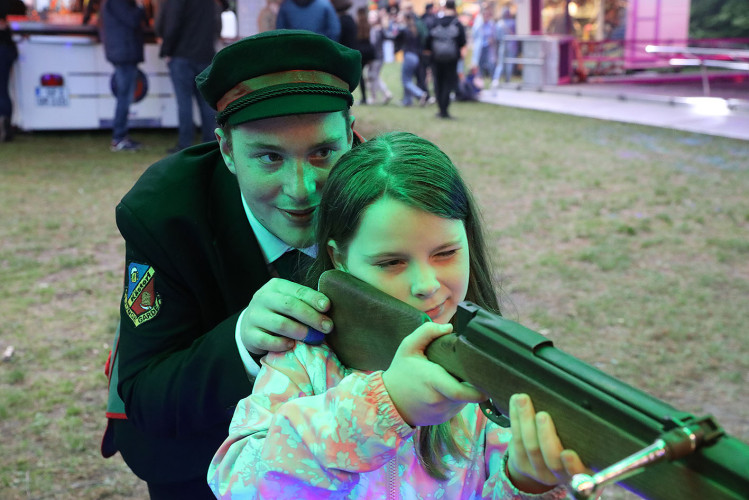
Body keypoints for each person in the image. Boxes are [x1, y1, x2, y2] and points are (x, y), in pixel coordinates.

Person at [208, 131, 587, 498]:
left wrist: (527, 483)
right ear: (339, 257)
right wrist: (385, 405)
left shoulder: (491, 370)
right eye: (391, 262)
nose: (425, 284)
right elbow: (235, 481)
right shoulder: (304, 360)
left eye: (445, 253)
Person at [101, 30, 363, 499]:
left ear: (351, 134)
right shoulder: (167, 215)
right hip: (202, 461)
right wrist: (242, 340)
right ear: (226, 150)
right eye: (268, 157)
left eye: (323, 152)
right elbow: (145, 390)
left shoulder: (386, 193)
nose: (301, 189)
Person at [156, 0, 219, 153]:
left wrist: (167, 50)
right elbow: (217, 23)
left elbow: (172, 24)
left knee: (184, 103)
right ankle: (211, 144)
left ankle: (185, 144)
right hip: (205, 54)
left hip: (181, 55)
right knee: (206, 103)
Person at [99, 0, 148, 152]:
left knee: (125, 97)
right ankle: (119, 138)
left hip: (123, 53)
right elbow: (133, 20)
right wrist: (140, 6)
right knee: (124, 98)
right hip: (124, 54)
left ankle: (121, 136)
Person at [426, 0, 466, 119]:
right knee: (448, 83)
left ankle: (440, 109)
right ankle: (445, 110)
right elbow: (462, 41)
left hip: (436, 58)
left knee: (438, 82)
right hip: (451, 59)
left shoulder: (435, 21)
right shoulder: (457, 23)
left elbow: (428, 40)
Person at [0, 0, 26, 142]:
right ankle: (6, 127)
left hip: (3, 48)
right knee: (3, 89)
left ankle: (4, 128)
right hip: (6, 47)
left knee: (2, 89)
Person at [396, 10, 428, 106]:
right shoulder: (414, 29)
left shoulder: (404, 30)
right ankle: (407, 101)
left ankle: (421, 94)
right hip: (415, 56)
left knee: (406, 81)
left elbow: (395, 38)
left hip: (409, 56)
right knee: (408, 78)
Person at [275, 0, 340, 42]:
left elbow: (280, 31)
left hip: (294, 51)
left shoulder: (286, 6)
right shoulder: (325, 4)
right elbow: (335, 30)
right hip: (320, 49)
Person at [367, 8, 392, 104]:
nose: (370, 19)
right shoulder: (373, 29)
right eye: (370, 17)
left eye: (372, 17)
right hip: (376, 57)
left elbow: (374, 45)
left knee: (373, 76)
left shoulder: (378, 30)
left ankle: (384, 94)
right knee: (372, 76)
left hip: (377, 57)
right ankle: (376, 96)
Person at [354, 6, 375, 105]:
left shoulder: (356, 25)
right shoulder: (368, 24)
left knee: (361, 76)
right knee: (368, 74)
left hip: (360, 51)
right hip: (368, 51)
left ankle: (364, 97)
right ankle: (370, 97)